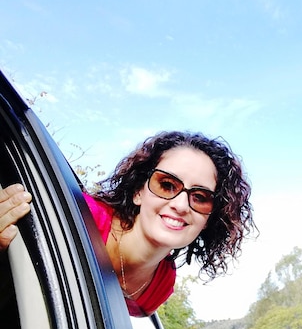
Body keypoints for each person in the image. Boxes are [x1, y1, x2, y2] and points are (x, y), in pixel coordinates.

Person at [0, 131, 255, 317]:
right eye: (166, 185)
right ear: (138, 192)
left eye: (200, 197)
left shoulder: (159, 288)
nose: (180, 204)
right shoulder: (78, 217)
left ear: (210, 219)